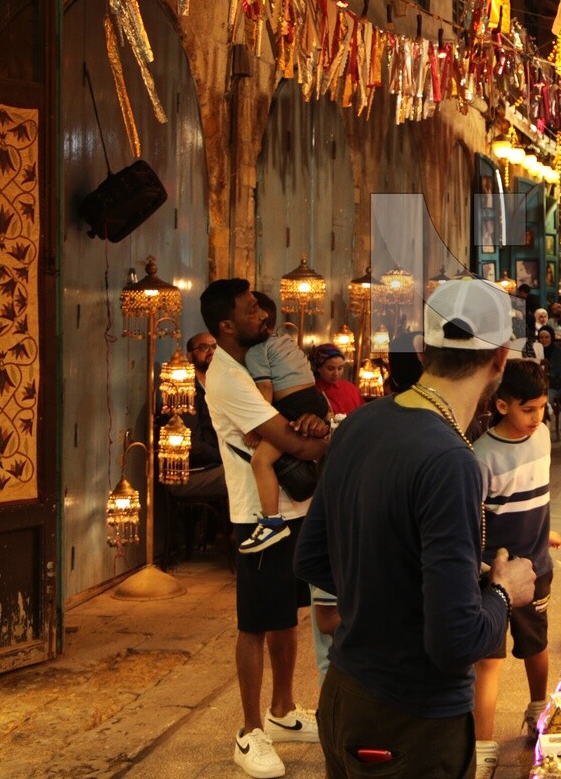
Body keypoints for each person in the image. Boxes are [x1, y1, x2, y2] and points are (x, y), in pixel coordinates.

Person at [295, 278, 537, 779]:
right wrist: (502, 593)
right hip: (412, 722)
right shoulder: (450, 460)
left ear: (424, 350)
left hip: (346, 695)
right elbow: (454, 641)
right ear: (500, 358)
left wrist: (394, 599)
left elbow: (312, 559)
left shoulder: (362, 422)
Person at [199, 279, 333, 779]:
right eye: (252, 310)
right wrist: (326, 436)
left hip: (294, 507)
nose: (262, 316)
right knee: (254, 621)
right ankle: (250, 730)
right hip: (259, 515)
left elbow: (296, 424)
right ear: (227, 325)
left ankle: (282, 711)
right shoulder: (228, 375)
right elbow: (290, 443)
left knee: (285, 615)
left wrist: (315, 427)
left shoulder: (255, 362)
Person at [471, 360, 561, 779]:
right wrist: (482, 564)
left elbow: (536, 494)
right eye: (528, 409)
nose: (537, 417)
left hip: (537, 565)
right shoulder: (481, 455)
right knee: (489, 657)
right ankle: (483, 741)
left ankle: (538, 707)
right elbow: (474, 517)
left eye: (542, 407)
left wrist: (545, 533)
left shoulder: (541, 435)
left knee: (535, 643)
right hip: (493, 570)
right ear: (502, 404)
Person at [237, 293, 330, 554]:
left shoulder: (256, 350)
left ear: (260, 321)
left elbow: (265, 390)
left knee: (260, 460)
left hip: (292, 406)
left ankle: (271, 521)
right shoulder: (286, 341)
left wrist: (255, 427)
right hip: (312, 400)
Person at [168, 332, 229, 499]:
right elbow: (192, 444)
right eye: (203, 347)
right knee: (247, 475)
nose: (211, 351)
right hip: (192, 472)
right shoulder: (184, 391)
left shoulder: (220, 384)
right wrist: (227, 456)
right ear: (189, 355)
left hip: (216, 463)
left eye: (214, 347)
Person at [310, 345, 365, 417]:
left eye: (340, 368)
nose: (336, 374)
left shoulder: (350, 388)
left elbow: (364, 413)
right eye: (330, 369)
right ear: (318, 368)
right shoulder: (313, 391)